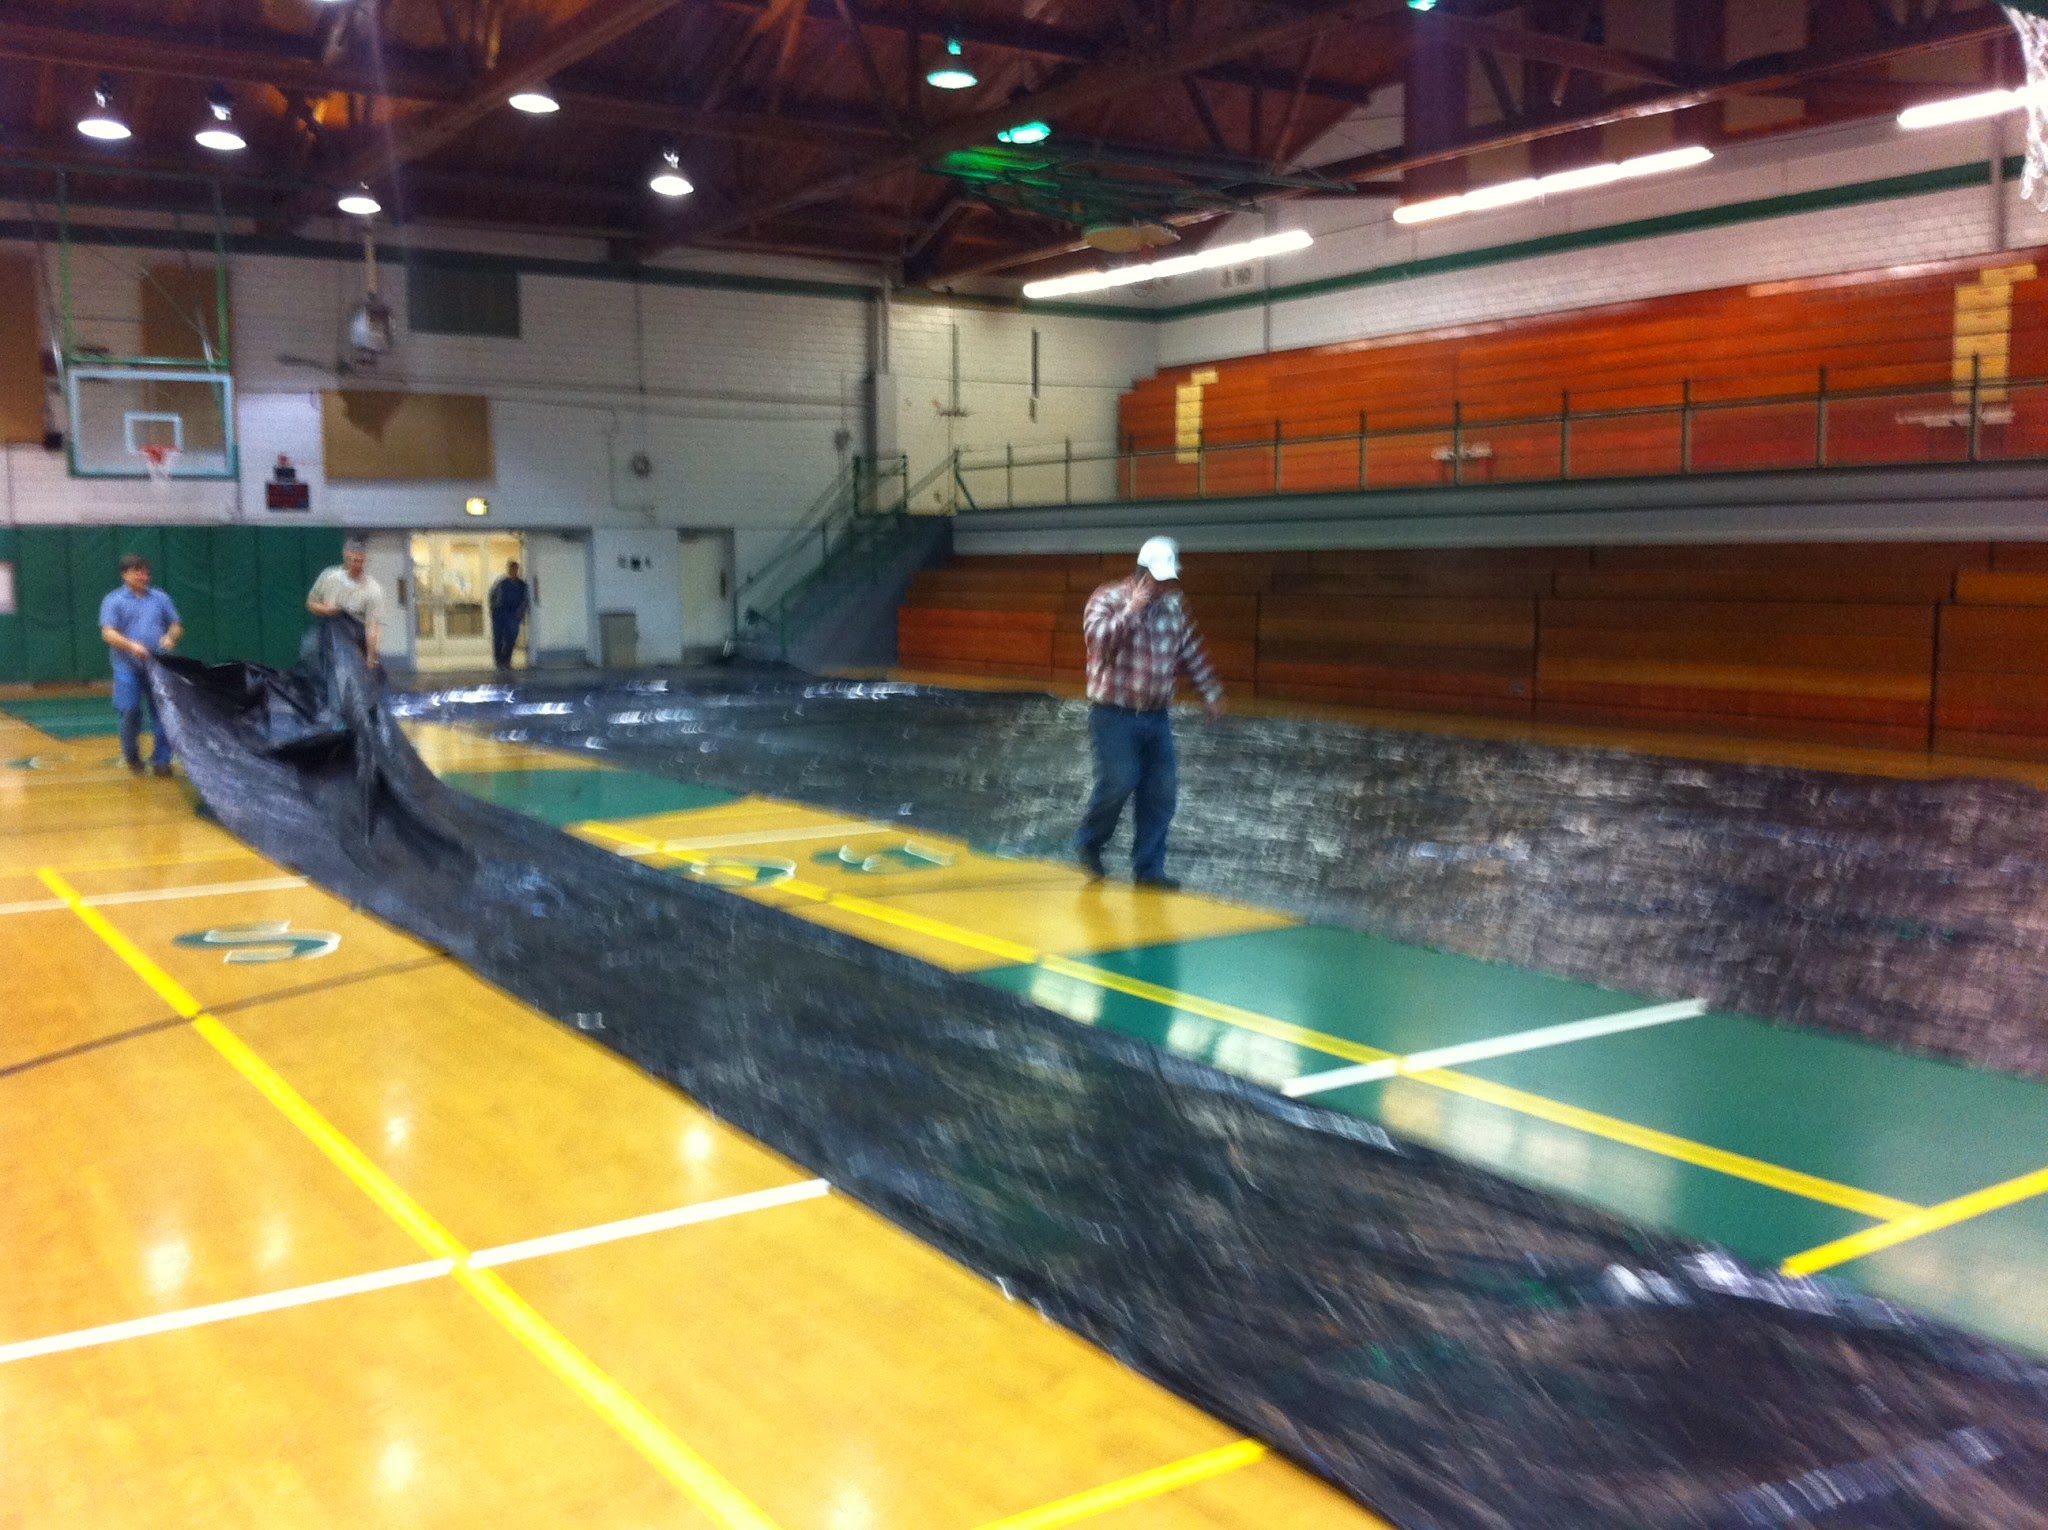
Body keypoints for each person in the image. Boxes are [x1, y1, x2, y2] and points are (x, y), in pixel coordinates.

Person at [1074, 536, 1223, 890]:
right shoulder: (1107, 599)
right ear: (1141, 575)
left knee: (1161, 792)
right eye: (1158, 580)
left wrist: (1209, 690)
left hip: (1156, 716)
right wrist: (1132, 610)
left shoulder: (1173, 608)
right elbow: (1098, 643)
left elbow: (1189, 650)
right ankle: (1090, 841)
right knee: (1119, 781)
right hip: (1114, 714)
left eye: (1168, 581)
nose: (1164, 587)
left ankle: (1149, 869)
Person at [98, 554, 182, 777]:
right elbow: (108, 633)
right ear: (125, 574)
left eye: (146, 572)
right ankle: (132, 755)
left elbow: (176, 625)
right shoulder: (113, 600)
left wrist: (170, 637)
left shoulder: (160, 598)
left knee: (163, 712)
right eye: (138, 572)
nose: (144, 576)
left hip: (158, 666)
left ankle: (162, 761)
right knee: (129, 711)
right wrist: (131, 645)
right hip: (127, 667)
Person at [306, 538, 386, 665]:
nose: (355, 564)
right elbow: (310, 603)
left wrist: (372, 656)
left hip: (354, 640)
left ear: (365, 559)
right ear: (345, 557)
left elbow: (373, 626)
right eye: (351, 560)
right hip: (325, 634)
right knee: (308, 649)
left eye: (359, 561)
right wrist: (325, 610)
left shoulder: (373, 589)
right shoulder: (328, 576)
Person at [488, 560, 530, 669]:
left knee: (510, 639)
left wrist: (520, 613)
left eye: (515, 569)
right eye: (511, 569)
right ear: (508, 570)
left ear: (518, 570)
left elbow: (525, 600)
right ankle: (499, 662)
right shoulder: (501, 583)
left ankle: (507, 661)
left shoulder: (522, 585)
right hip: (500, 614)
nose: (513, 571)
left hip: (513, 615)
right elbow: (492, 596)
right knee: (498, 638)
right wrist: (493, 610)